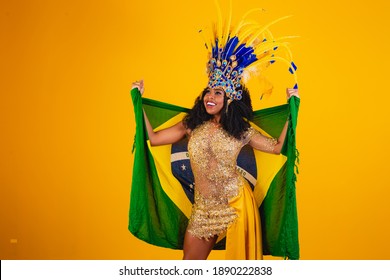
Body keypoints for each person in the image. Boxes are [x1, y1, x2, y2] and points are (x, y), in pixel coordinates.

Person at [132, 79, 299, 260]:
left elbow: (276, 147)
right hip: (204, 208)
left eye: (218, 93)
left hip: (234, 202)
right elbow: (155, 138)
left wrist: (292, 110)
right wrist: (138, 102)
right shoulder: (192, 125)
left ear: (230, 100)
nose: (209, 97)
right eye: (208, 92)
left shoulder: (241, 130)